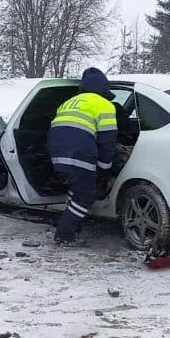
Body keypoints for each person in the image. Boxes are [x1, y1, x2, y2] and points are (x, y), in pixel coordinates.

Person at [48, 68, 118, 246]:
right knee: (85, 195)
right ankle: (64, 235)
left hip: (56, 152)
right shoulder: (105, 105)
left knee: (76, 190)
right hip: (79, 153)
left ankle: (74, 228)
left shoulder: (68, 102)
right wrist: (104, 168)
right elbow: (107, 142)